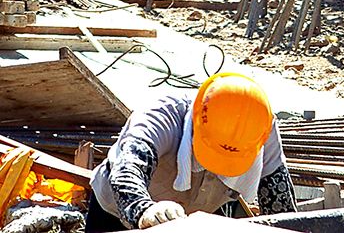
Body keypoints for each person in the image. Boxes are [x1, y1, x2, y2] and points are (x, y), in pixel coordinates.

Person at [87, 71, 296, 231]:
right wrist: (144, 209)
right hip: (117, 213)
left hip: (198, 216)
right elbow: (127, 170)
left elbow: (280, 203)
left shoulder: (259, 128)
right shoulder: (161, 115)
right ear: (196, 120)